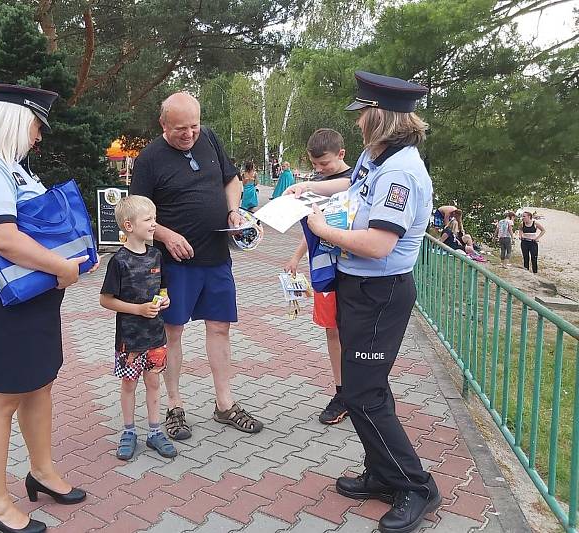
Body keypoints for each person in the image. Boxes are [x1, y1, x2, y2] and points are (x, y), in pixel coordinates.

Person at [287, 71, 441, 533]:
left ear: (379, 117)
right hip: (359, 288)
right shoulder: (379, 156)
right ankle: (381, 474)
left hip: (381, 292)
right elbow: (353, 189)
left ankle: (417, 487)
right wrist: (307, 189)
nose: (355, 125)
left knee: (362, 393)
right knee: (364, 390)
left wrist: (322, 231)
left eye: (361, 116)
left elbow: (378, 244)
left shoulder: (401, 172)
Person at [0, 84, 93, 533]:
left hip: (28, 287)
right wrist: (63, 268)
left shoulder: (12, 167)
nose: (39, 136)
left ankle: (41, 473)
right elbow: (3, 238)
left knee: (39, 384)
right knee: (1, 398)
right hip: (0, 292)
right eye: (37, 126)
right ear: (16, 121)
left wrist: (56, 269)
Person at [130, 91, 263, 440]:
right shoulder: (148, 159)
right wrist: (165, 234)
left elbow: (231, 179)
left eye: (194, 126)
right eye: (180, 129)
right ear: (162, 125)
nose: (189, 134)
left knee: (220, 328)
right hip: (176, 263)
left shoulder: (210, 139)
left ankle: (224, 404)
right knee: (172, 333)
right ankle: (174, 406)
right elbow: (134, 214)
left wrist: (233, 209)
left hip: (217, 257)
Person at [99, 195, 178, 461]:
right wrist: (138, 310)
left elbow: (162, 287)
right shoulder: (118, 262)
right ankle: (129, 431)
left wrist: (164, 299)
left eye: (155, 218)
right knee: (129, 384)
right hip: (129, 340)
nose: (155, 224)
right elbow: (105, 300)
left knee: (154, 382)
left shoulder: (156, 255)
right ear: (129, 226)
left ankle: (155, 431)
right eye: (149, 220)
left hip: (156, 336)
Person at [284, 128, 353, 425]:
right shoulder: (316, 186)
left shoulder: (357, 179)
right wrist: (297, 256)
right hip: (324, 272)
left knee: (355, 333)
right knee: (332, 330)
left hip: (353, 268)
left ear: (341, 154)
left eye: (324, 164)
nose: (320, 170)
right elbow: (315, 226)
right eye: (315, 165)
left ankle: (358, 391)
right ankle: (342, 392)